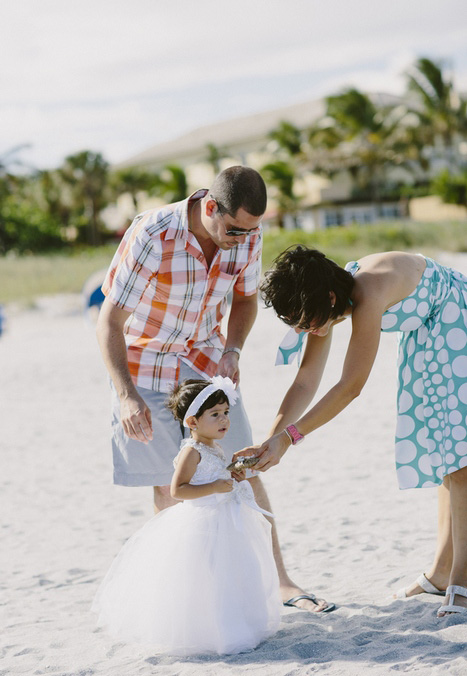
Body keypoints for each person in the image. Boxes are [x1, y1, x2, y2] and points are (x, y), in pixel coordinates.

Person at [96, 166, 332, 613]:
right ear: (209, 207)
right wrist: (126, 394)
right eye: (234, 230)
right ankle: (189, 597)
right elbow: (109, 321)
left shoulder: (248, 234)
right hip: (142, 366)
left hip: (205, 362)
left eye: (250, 231)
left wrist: (234, 350)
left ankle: (280, 582)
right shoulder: (152, 233)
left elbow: (244, 300)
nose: (241, 240)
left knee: (246, 466)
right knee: (172, 487)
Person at [235, 246, 467, 618]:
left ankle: (463, 580)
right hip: (426, 334)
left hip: (458, 322)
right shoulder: (322, 298)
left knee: (461, 460)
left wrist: (291, 439)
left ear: (328, 297)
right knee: (444, 456)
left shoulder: (368, 292)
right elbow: (305, 382)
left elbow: (351, 385)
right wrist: (271, 439)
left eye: (306, 321)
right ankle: (441, 573)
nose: (305, 329)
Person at [92, 376, 281, 655]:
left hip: (225, 520)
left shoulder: (214, 447)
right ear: (192, 422)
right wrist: (214, 486)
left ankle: (237, 623)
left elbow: (215, 473)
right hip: (203, 522)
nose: (224, 420)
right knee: (207, 576)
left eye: (226, 413)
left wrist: (230, 474)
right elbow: (178, 490)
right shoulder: (191, 451)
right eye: (215, 414)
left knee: (231, 573)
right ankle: (213, 631)